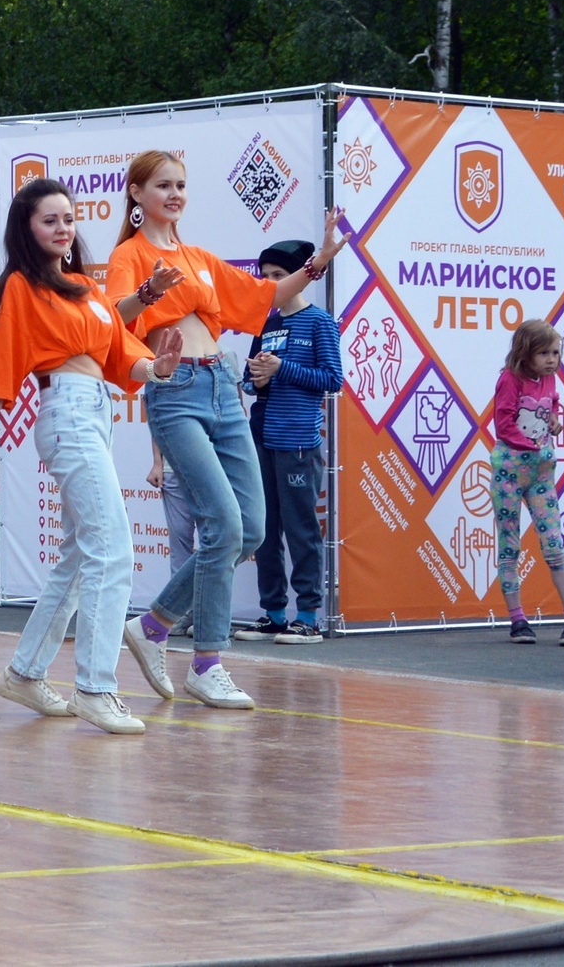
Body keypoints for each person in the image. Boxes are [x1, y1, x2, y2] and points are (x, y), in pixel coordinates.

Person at [112, 151, 341, 710]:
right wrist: (147, 294)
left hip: (224, 387)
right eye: (162, 185)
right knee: (222, 521)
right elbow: (109, 320)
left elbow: (262, 300)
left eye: (181, 185)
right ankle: (208, 661)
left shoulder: (200, 259)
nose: (174, 194)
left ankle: (155, 623)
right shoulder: (130, 254)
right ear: (137, 194)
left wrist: (319, 263)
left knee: (252, 530)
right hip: (174, 392)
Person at [0, 177, 182, 736]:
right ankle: (95, 687)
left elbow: (120, 356)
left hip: (96, 411)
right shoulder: (19, 286)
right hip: (64, 414)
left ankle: (25, 672)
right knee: (112, 551)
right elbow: (0, 365)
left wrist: (155, 369)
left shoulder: (84, 288)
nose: (63, 229)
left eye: (68, 219)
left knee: (81, 554)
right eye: (50, 220)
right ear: (28, 228)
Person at [239, 238, 341, 644]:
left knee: (300, 529)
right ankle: (274, 613)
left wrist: (282, 369)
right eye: (264, 277)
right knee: (263, 528)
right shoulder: (265, 323)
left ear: (302, 277)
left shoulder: (319, 322)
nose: (270, 283)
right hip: (260, 436)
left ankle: (310, 616)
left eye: (278, 276)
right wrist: (257, 379)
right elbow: (249, 379)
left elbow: (332, 380)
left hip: (298, 438)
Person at [489, 320, 564, 645]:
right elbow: (503, 425)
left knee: (554, 542)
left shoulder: (548, 379)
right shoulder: (509, 380)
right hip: (510, 470)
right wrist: (533, 446)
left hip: (541, 472)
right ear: (524, 353)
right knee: (510, 543)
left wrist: (555, 418)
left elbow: (553, 401)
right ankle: (518, 619)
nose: (551, 359)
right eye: (543, 353)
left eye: (555, 353)